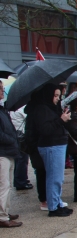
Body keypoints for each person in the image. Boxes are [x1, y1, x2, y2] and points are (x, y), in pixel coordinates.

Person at [28, 84, 72, 216]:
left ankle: (56, 202)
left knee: (57, 178)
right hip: (51, 146)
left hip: (57, 144)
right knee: (54, 178)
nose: (58, 99)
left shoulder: (52, 108)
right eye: (56, 96)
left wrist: (63, 117)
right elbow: (45, 130)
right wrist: (60, 120)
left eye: (59, 96)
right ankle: (53, 207)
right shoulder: (41, 109)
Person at [0, 80, 22, 227]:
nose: (2, 91)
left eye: (2, 88)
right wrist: (12, 139)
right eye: (0, 88)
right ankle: (2, 217)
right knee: (3, 185)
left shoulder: (2, 109)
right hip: (2, 151)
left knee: (7, 184)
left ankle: (5, 211)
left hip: (8, 151)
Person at [9, 106, 32, 190]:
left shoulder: (11, 110)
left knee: (18, 160)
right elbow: (28, 117)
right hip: (21, 136)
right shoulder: (20, 109)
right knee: (22, 159)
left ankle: (20, 179)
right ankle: (21, 182)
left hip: (15, 135)